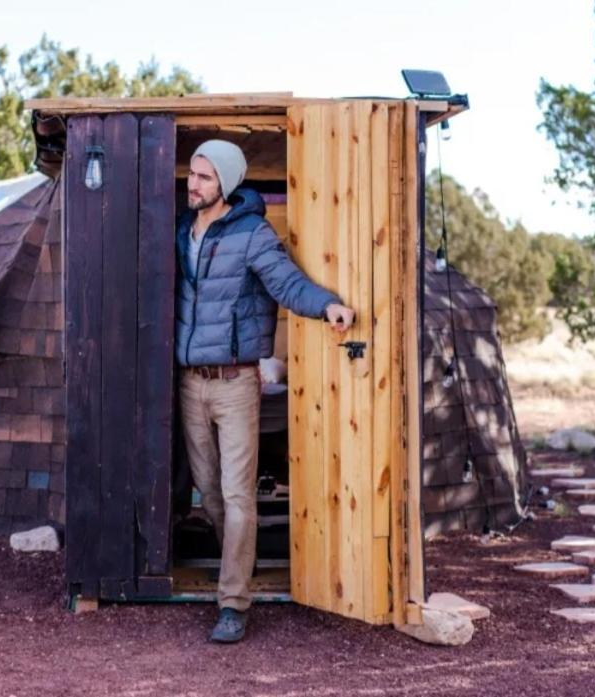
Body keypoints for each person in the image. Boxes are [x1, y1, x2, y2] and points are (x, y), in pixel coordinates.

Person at [176, 140, 355, 643]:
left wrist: (327, 306)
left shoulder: (253, 234)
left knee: (237, 495)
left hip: (236, 383)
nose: (194, 184)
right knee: (209, 493)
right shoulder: (181, 231)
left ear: (227, 183)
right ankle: (236, 571)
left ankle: (233, 602)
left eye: (206, 177)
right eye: (193, 174)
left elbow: (287, 283)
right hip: (190, 383)